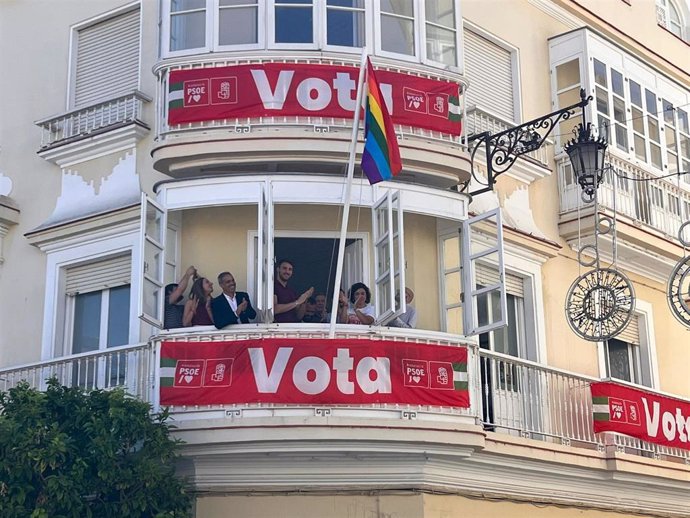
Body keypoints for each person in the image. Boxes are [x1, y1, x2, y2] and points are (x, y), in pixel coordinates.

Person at [273, 259, 313, 323]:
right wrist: (297, 302)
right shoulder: (273, 287)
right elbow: (274, 309)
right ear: (278, 269)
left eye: (290, 269)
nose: (287, 271)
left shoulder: (291, 291)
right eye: (284, 268)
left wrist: (304, 299)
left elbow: (298, 316)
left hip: (293, 328)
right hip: (278, 328)